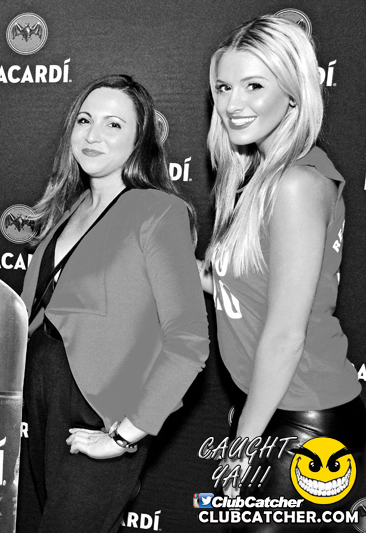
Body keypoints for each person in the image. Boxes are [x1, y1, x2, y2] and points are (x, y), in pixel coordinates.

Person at [17, 74, 209, 532]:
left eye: (114, 124)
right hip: (38, 405)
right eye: (85, 120)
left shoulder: (158, 211)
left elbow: (188, 341)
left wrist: (125, 435)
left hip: (100, 415)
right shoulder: (68, 210)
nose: (93, 135)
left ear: (140, 140)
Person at [199, 15, 365, 527]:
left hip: (306, 421)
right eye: (224, 87)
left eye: (254, 86)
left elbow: (286, 335)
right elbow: (235, 287)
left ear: (293, 95)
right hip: (274, 409)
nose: (233, 103)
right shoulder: (259, 179)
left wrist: (242, 446)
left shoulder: (297, 183)